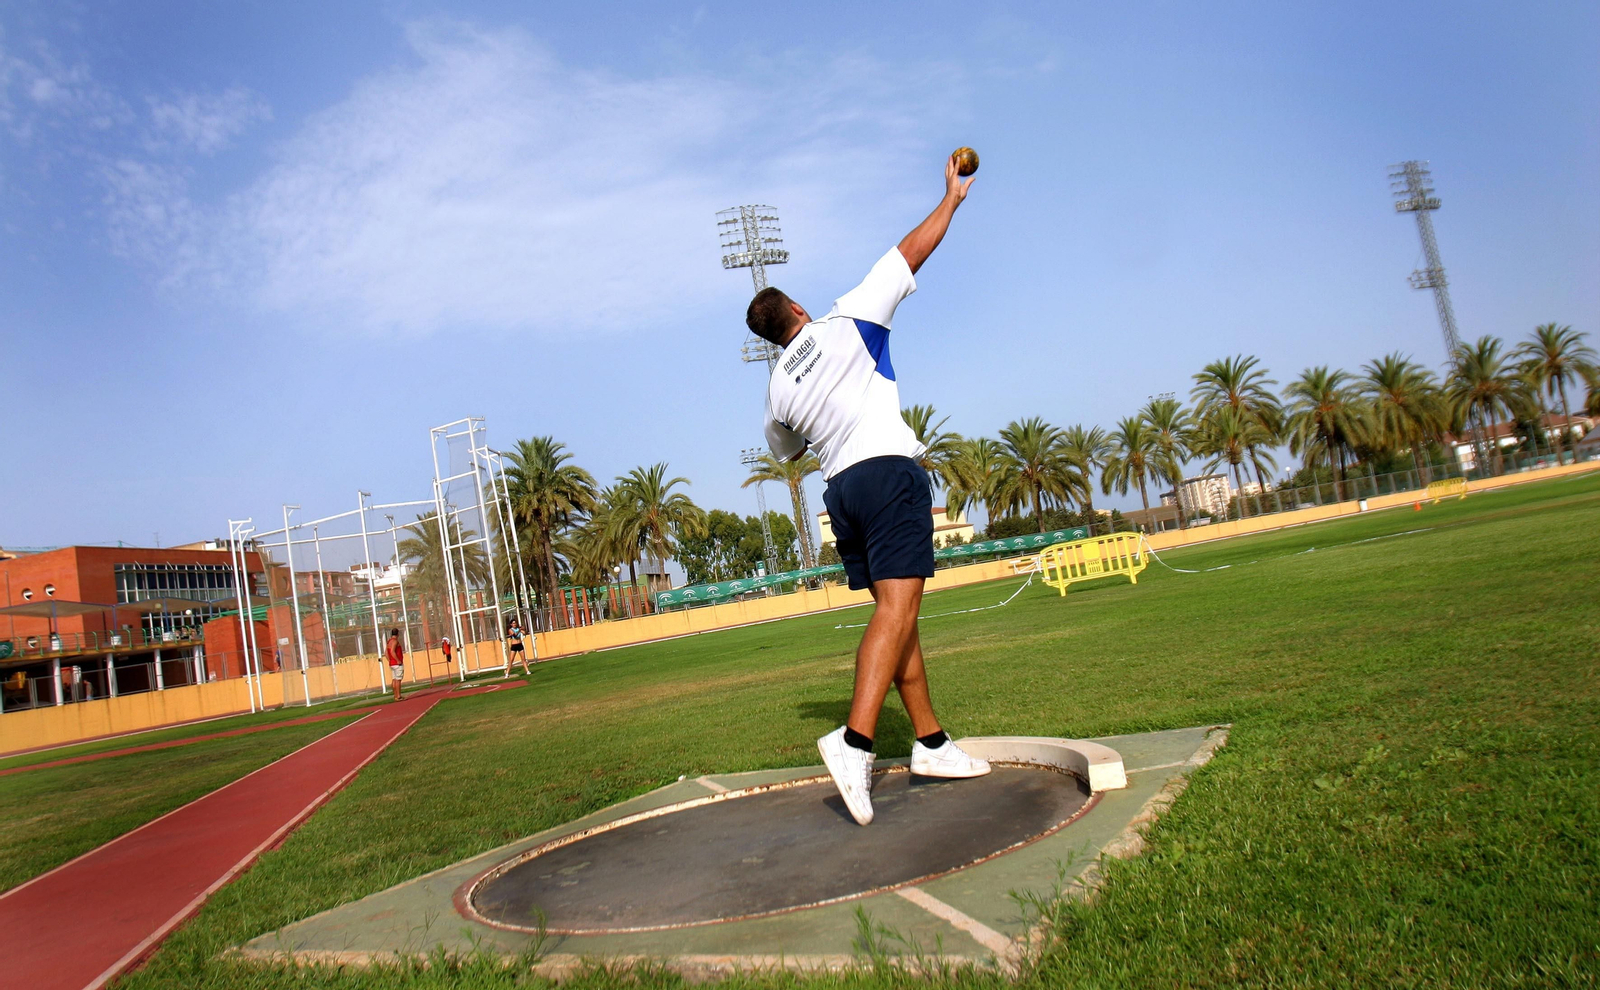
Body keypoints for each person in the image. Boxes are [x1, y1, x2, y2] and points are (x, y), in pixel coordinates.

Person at [749, 153, 990, 826]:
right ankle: (854, 742)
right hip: (887, 473)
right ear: (795, 307)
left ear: (769, 337)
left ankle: (931, 742)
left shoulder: (775, 389)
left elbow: (786, 449)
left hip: (841, 493)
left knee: (896, 613)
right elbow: (912, 252)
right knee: (897, 612)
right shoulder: (847, 316)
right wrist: (952, 198)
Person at [385, 629, 405, 701]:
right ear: (398, 634)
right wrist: (397, 660)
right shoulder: (395, 641)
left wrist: (390, 660)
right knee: (398, 680)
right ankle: (398, 696)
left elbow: (386, 653)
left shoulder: (389, 642)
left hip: (392, 664)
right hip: (397, 664)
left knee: (394, 679)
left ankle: (395, 695)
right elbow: (392, 651)